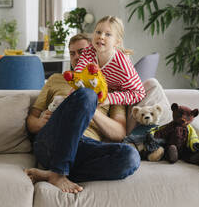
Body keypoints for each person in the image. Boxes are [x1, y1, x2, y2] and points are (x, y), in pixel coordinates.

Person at [25, 33, 141, 194]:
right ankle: (59, 172)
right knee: (86, 94)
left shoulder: (111, 88)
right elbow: (31, 121)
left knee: (131, 157)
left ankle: (54, 172)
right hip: (52, 142)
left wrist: (89, 108)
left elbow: (119, 133)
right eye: (72, 53)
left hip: (85, 148)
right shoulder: (56, 79)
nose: (77, 57)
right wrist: (39, 123)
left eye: (82, 51)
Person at [74, 15, 146, 106]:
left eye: (108, 34)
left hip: (117, 96)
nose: (101, 36)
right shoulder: (89, 51)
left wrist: (110, 98)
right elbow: (80, 69)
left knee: (118, 117)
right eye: (98, 32)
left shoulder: (122, 64)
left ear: (117, 42)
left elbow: (139, 93)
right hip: (98, 90)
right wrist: (77, 82)